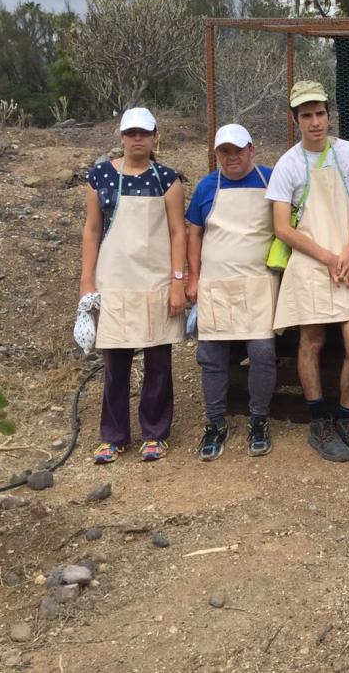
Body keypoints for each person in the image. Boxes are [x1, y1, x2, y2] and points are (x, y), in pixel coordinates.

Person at [267, 80, 349, 462]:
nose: (315, 122)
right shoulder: (288, 164)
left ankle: (347, 418)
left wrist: (348, 252)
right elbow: (282, 228)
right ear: (296, 120)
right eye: (307, 116)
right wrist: (328, 257)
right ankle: (319, 422)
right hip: (311, 261)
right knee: (313, 340)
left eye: (320, 113)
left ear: (328, 114)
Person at [79, 108, 185, 463]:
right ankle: (114, 435)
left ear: (155, 136)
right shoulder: (100, 177)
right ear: (121, 136)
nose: (137, 139)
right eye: (131, 133)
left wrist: (178, 281)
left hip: (156, 280)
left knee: (158, 361)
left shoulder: (168, 180)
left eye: (144, 133)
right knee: (115, 361)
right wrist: (87, 281)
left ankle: (155, 433)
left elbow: (177, 233)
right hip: (114, 280)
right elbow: (92, 230)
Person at [186, 124, 278, 461]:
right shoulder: (206, 187)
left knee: (263, 353)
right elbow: (194, 234)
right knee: (211, 356)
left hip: (259, 283)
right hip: (216, 284)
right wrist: (193, 278)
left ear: (251, 149)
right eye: (224, 151)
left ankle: (258, 420)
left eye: (238, 150)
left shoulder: (270, 181)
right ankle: (215, 423)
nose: (232, 157)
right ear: (216, 154)